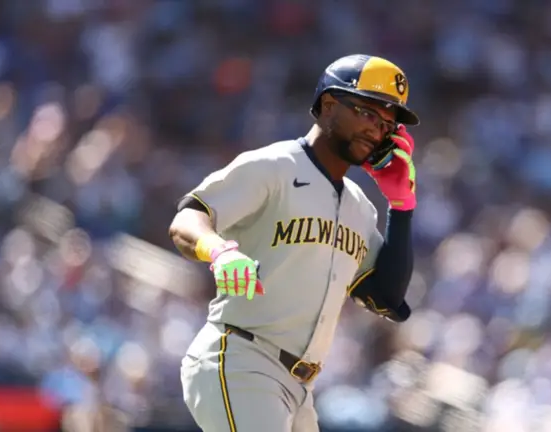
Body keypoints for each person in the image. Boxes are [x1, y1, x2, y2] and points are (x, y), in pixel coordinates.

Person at [169, 54, 419, 432]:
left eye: (387, 124)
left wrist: (401, 207)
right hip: (242, 360)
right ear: (329, 105)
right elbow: (188, 218)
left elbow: (386, 298)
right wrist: (218, 251)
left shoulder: (360, 208)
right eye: (368, 113)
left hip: (300, 389)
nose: (377, 130)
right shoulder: (275, 165)